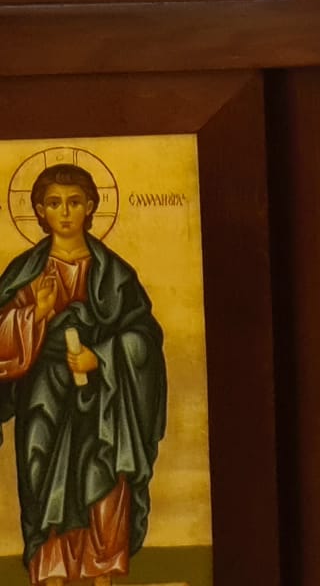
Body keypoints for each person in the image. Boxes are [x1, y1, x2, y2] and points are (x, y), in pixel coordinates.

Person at [0, 165, 168, 585]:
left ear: (91, 206)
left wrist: (103, 358)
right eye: (54, 203)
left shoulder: (115, 274)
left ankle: (101, 577)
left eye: (74, 202)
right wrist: (35, 314)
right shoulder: (25, 272)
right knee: (44, 485)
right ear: (39, 210)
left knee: (103, 479)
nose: (65, 212)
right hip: (43, 397)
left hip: (104, 398)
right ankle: (52, 577)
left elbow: (145, 338)